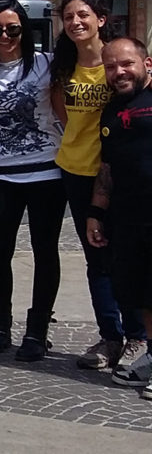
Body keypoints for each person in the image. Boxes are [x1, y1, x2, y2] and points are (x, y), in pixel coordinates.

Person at [52, 0, 147, 371]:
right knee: (97, 259)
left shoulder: (118, 61)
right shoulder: (63, 65)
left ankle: (138, 336)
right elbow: (62, 114)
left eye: (84, 15)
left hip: (119, 176)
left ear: (100, 19)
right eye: (70, 16)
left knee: (128, 258)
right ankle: (111, 335)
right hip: (77, 171)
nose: (76, 22)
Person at [0, 0, 64, 360]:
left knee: (45, 251)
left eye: (13, 29)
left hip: (47, 171)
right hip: (1, 173)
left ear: (25, 31)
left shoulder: (47, 64)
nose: (5, 36)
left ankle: (37, 331)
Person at [86, 37, 152, 399]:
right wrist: (97, 212)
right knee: (141, 292)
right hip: (127, 215)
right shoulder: (111, 110)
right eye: (111, 67)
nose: (119, 72)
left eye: (126, 64)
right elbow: (106, 167)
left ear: (146, 64)